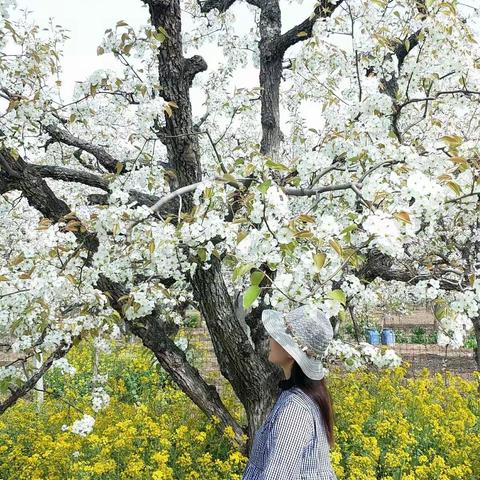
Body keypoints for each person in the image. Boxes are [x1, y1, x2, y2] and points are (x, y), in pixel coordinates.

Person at [241, 304, 338, 480]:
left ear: (292, 351)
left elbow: (277, 475)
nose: (270, 339)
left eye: (277, 336)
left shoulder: (295, 410)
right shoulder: (301, 397)